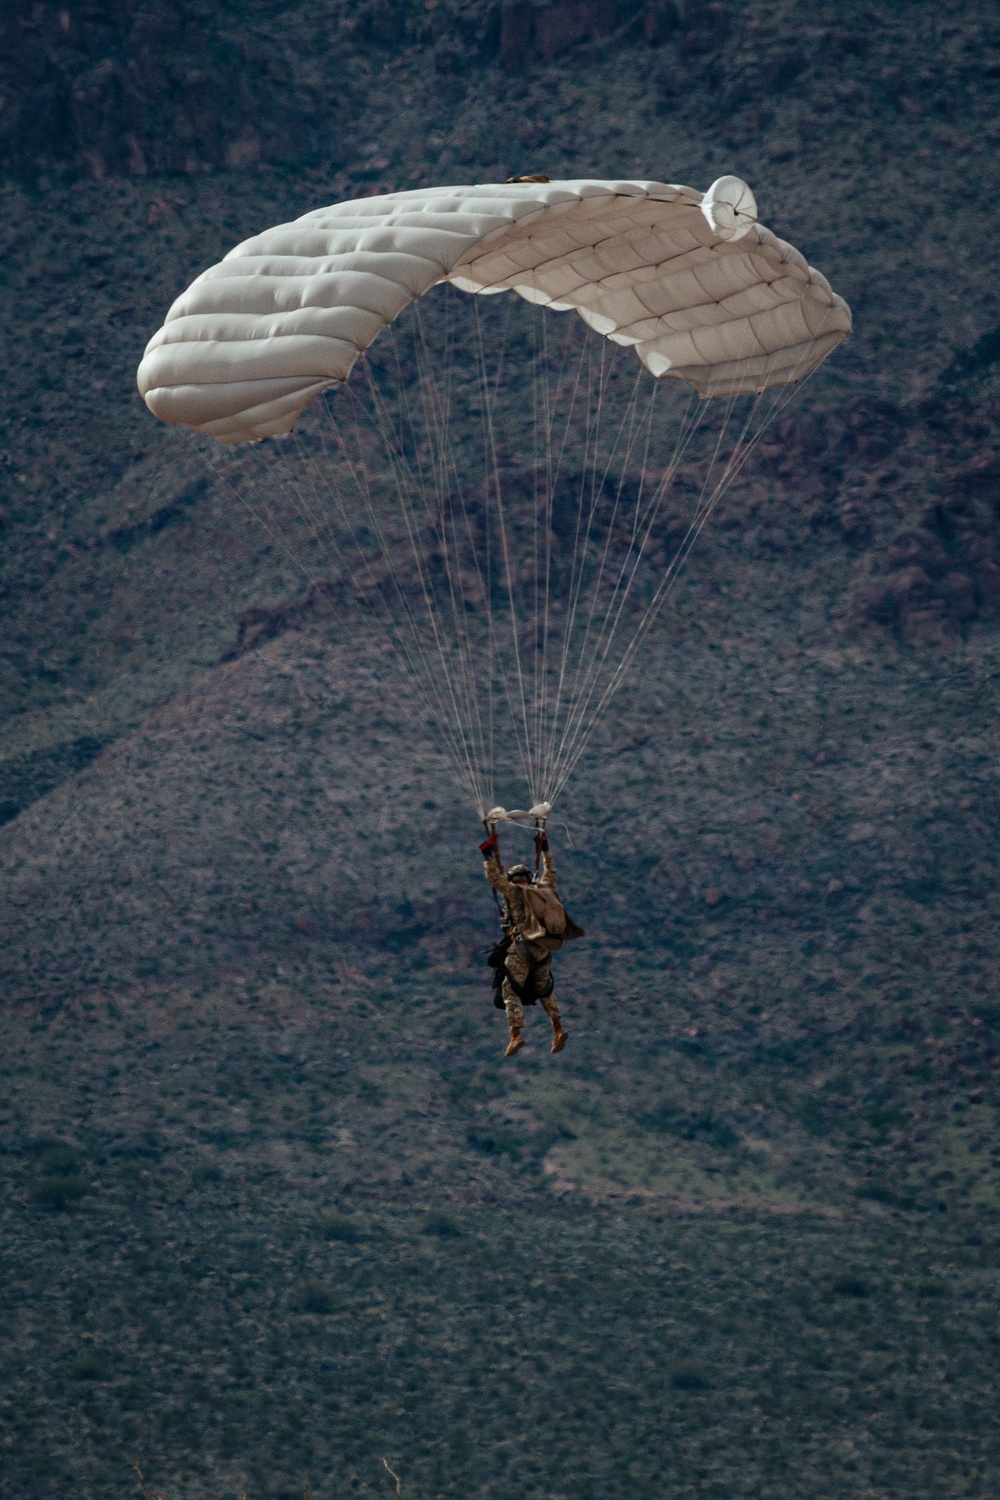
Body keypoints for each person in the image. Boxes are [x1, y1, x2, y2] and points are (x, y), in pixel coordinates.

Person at [479, 828, 583, 1057]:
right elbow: (551, 870)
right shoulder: (545, 888)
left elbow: (494, 879)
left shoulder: (514, 892)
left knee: (509, 989)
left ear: (515, 879)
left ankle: (516, 1034)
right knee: (544, 988)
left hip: (522, 947)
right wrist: (544, 847)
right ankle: (558, 1027)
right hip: (544, 949)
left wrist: (488, 854)